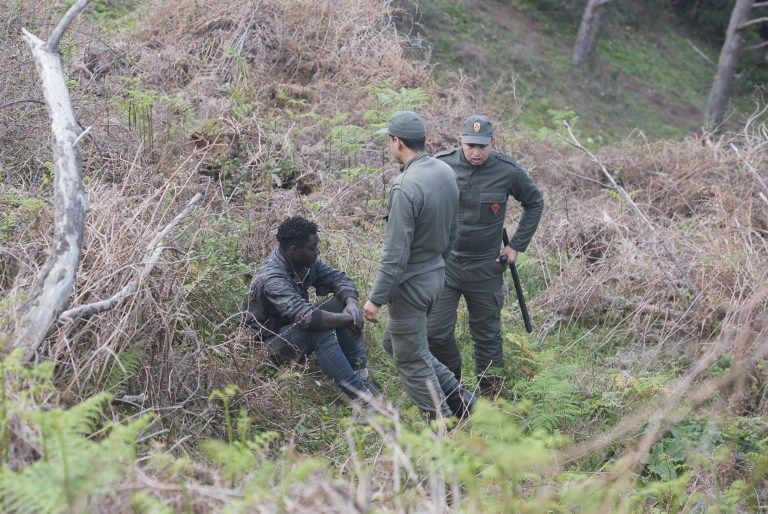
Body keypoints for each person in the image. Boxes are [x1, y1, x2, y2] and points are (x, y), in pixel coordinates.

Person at [363, 111, 476, 420]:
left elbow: (395, 254)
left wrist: (376, 299)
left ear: (397, 142)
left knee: (411, 360)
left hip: (411, 285)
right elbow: (453, 230)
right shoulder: (444, 171)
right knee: (397, 343)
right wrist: (438, 265)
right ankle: (466, 403)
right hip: (436, 276)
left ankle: (442, 427)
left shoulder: (405, 187)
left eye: (390, 141)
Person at [427, 114, 544, 397]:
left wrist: (515, 246)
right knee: (435, 333)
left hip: (486, 267)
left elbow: (534, 202)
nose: (476, 152)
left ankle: (492, 400)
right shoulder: (441, 165)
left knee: (488, 337)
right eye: (470, 146)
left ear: (493, 142)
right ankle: (452, 392)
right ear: (460, 141)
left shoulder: (507, 171)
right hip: (447, 265)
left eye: (482, 146)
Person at [241, 216, 380, 403]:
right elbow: (308, 318)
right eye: (312, 248)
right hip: (264, 348)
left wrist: (352, 305)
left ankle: (362, 377)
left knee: (341, 303)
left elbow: (339, 278)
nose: (317, 251)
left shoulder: (302, 262)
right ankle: (363, 400)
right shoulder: (272, 278)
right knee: (317, 330)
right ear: (294, 250)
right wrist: (350, 318)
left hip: (288, 331)